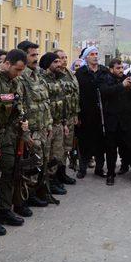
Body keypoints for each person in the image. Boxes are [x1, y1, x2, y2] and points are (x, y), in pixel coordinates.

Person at [0, 49, 29, 232]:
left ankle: (4, 209)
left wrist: (22, 120)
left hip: (7, 134)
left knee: (9, 171)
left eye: (21, 71)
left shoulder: (14, 80)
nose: (19, 74)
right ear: (7, 63)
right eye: (17, 69)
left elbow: (18, 103)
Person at [17, 40, 55, 206]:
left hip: (42, 128)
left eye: (36, 55)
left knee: (42, 163)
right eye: (32, 55)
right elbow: (19, 108)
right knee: (30, 166)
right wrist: (25, 134)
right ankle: (26, 197)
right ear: (23, 56)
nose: (36, 58)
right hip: (31, 131)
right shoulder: (21, 77)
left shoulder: (37, 75)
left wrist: (49, 125)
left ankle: (39, 191)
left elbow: (45, 102)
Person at [99, 58, 131, 186]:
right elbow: (106, 92)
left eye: (122, 68)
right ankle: (110, 174)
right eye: (118, 68)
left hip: (126, 122)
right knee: (111, 150)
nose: (120, 70)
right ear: (111, 69)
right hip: (111, 122)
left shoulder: (127, 78)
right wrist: (122, 86)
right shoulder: (105, 79)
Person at [75, 46, 108, 179]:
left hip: (102, 114)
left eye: (96, 53)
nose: (95, 56)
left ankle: (99, 169)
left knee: (101, 143)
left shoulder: (104, 71)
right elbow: (76, 95)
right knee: (84, 142)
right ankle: (82, 169)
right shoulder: (80, 73)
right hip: (85, 113)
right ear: (86, 57)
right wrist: (77, 114)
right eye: (92, 54)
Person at [39, 52, 69, 195]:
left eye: (59, 61)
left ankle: (52, 179)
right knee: (46, 156)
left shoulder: (58, 79)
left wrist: (64, 123)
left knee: (56, 155)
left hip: (58, 123)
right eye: (55, 62)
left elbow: (62, 103)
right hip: (48, 125)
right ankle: (44, 184)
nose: (59, 64)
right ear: (48, 64)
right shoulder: (42, 80)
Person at [54, 49, 79, 186]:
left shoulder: (69, 72)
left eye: (65, 57)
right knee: (58, 147)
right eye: (60, 58)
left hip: (70, 115)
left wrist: (75, 113)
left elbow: (75, 94)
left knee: (66, 146)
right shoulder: (55, 75)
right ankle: (56, 174)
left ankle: (62, 172)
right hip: (60, 116)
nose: (64, 60)